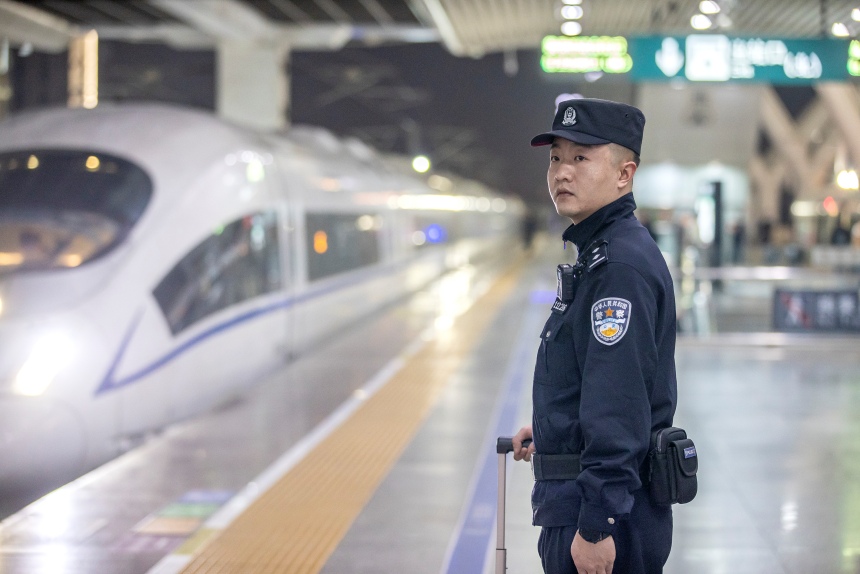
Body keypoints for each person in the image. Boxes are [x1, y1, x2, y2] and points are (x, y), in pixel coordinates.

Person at [512, 98, 677, 574]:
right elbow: (593, 378)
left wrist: (597, 524)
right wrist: (553, 434)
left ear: (624, 174)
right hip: (588, 497)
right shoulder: (601, 254)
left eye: (581, 158)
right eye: (556, 158)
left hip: (604, 515)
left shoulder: (618, 268)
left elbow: (619, 402)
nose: (562, 173)